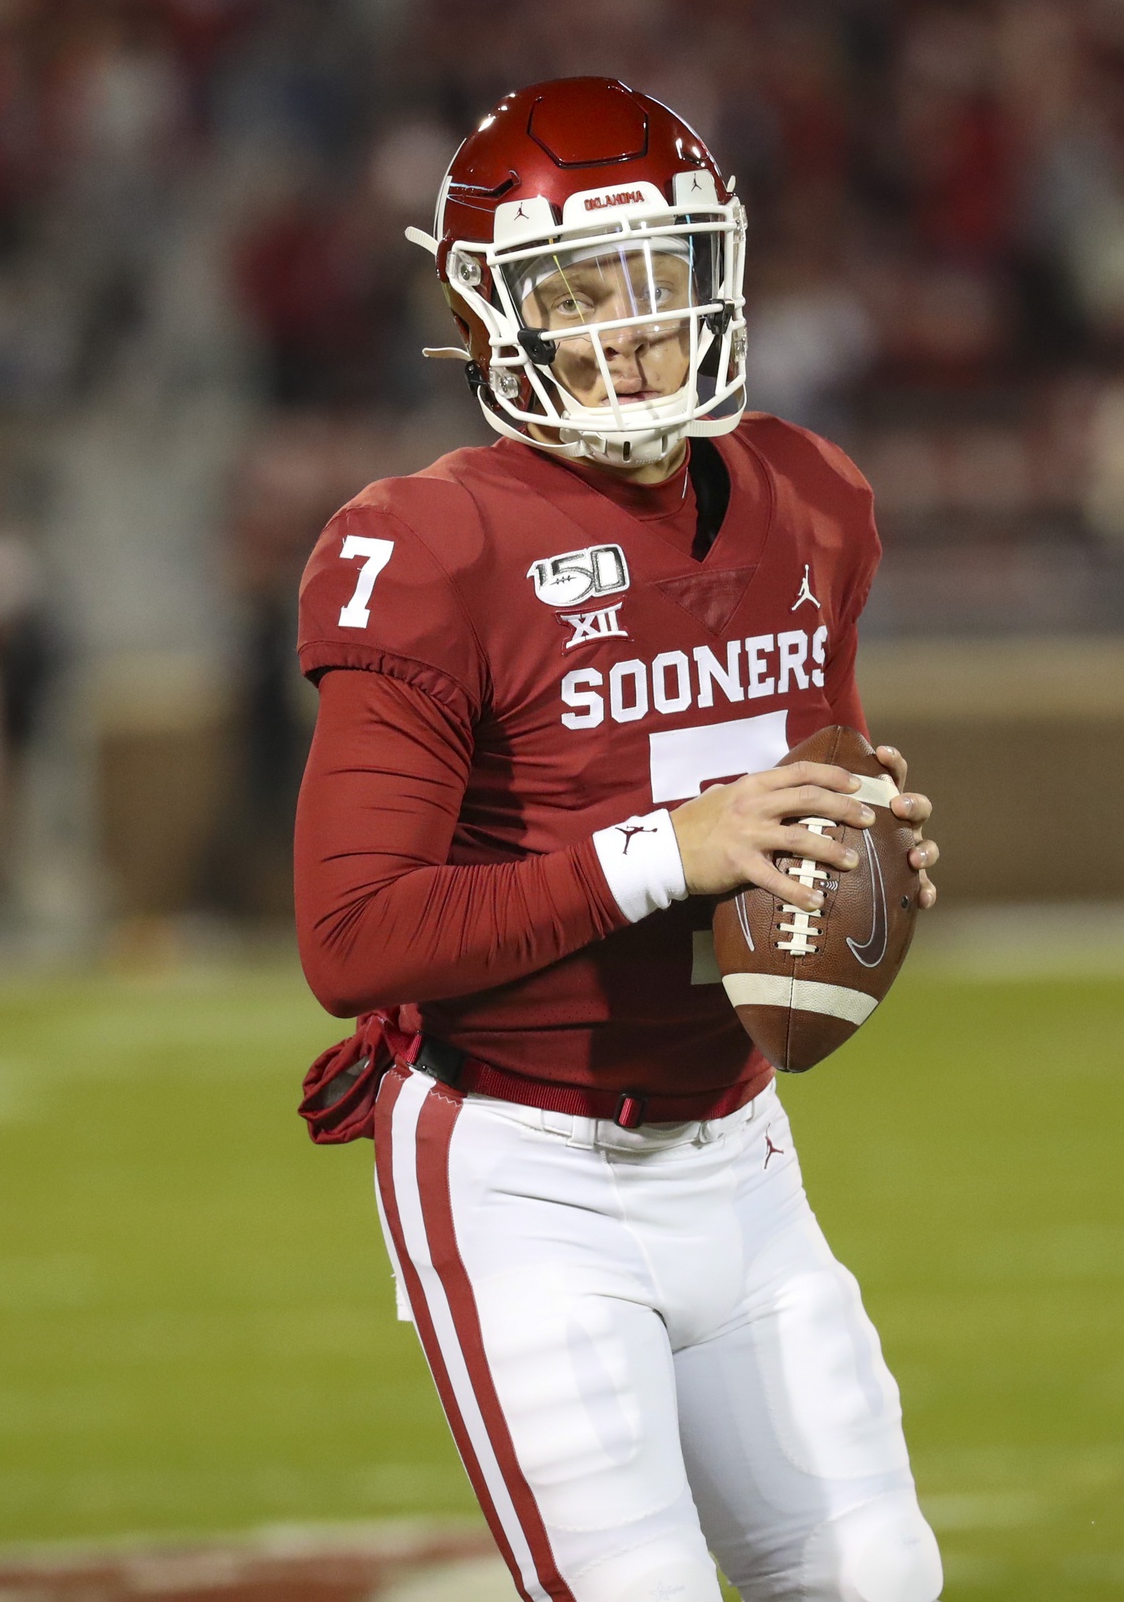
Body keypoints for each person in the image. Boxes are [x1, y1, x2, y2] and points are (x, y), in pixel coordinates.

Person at [291, 79, 945, 1602]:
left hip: (739, 1144)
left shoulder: (808, 499)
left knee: (876, 1578)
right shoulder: (432, 543)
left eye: (661, 280)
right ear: (483, 313)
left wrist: (851, 858)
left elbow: (796, 795)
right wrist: (673, 847)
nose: (632, 330)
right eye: (581, 291)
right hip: (526, 1165)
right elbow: (352, 937)